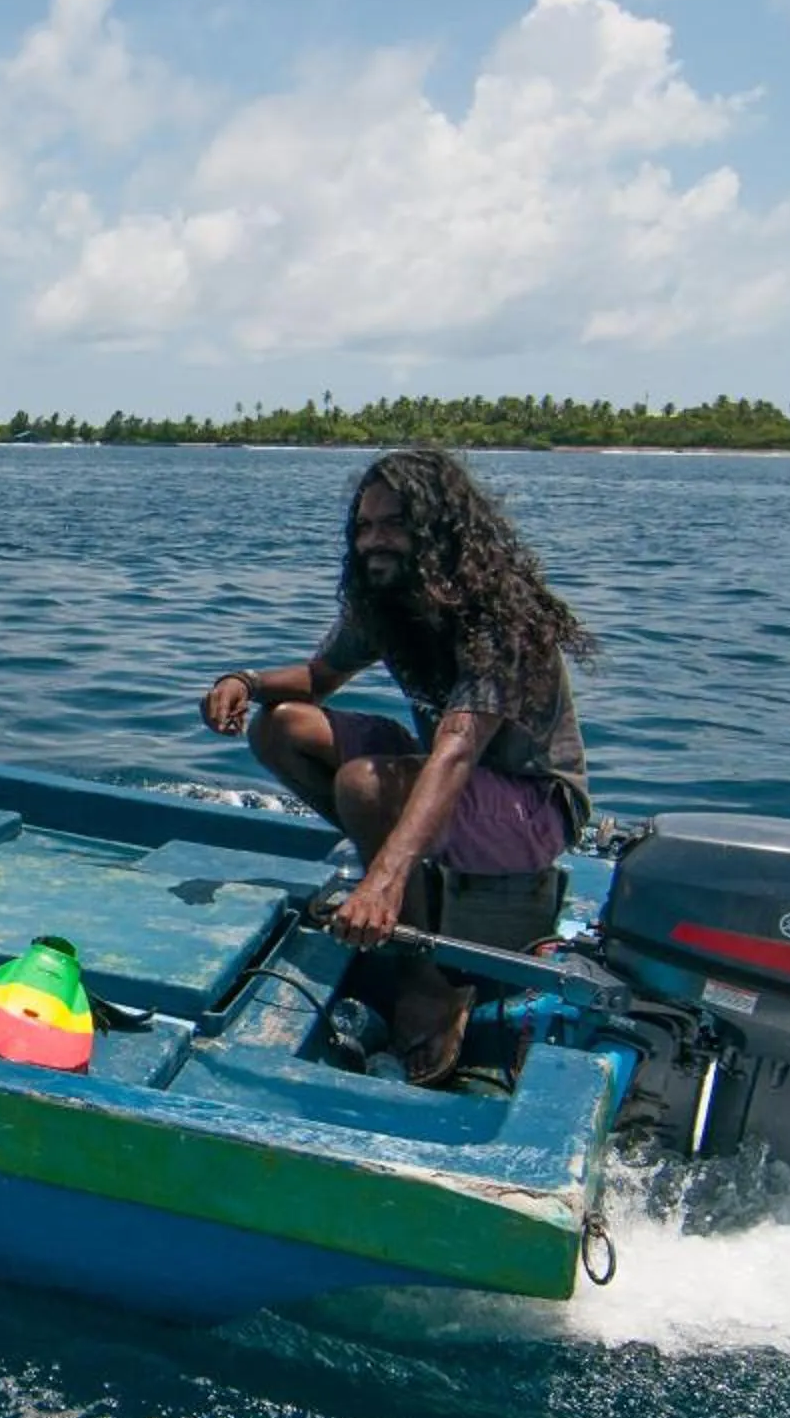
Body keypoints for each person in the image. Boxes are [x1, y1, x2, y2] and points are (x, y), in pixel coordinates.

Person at [199, 447, 595, 1085]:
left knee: (365, 783)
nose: (372, 541)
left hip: (532, 807)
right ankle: (401, 856)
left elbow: (457, 748)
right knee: (281, 725)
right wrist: (243, 679)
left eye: (393, 524)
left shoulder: (497, 621)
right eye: (362, 526)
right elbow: (318, 678)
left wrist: (382, 879)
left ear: (439, 532)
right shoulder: (386, 600)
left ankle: (430, 979)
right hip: (452, 783)